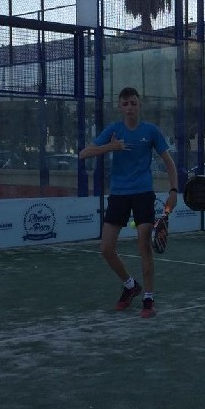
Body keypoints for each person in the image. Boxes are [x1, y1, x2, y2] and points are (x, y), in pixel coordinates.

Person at [79, 87, 178, 318]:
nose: (130, 107)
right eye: (125, 104)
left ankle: (148, 298)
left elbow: (169, 162)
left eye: (133, 103)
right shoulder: (114, 130)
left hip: (143, 193)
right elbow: (84, 154)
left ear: (139, 105)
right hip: (119, 194)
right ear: (120, 107)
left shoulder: (151, 131)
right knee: (106, 249)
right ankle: (130, 286)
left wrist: (173, 191)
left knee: (143, 244)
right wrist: (110, 147)